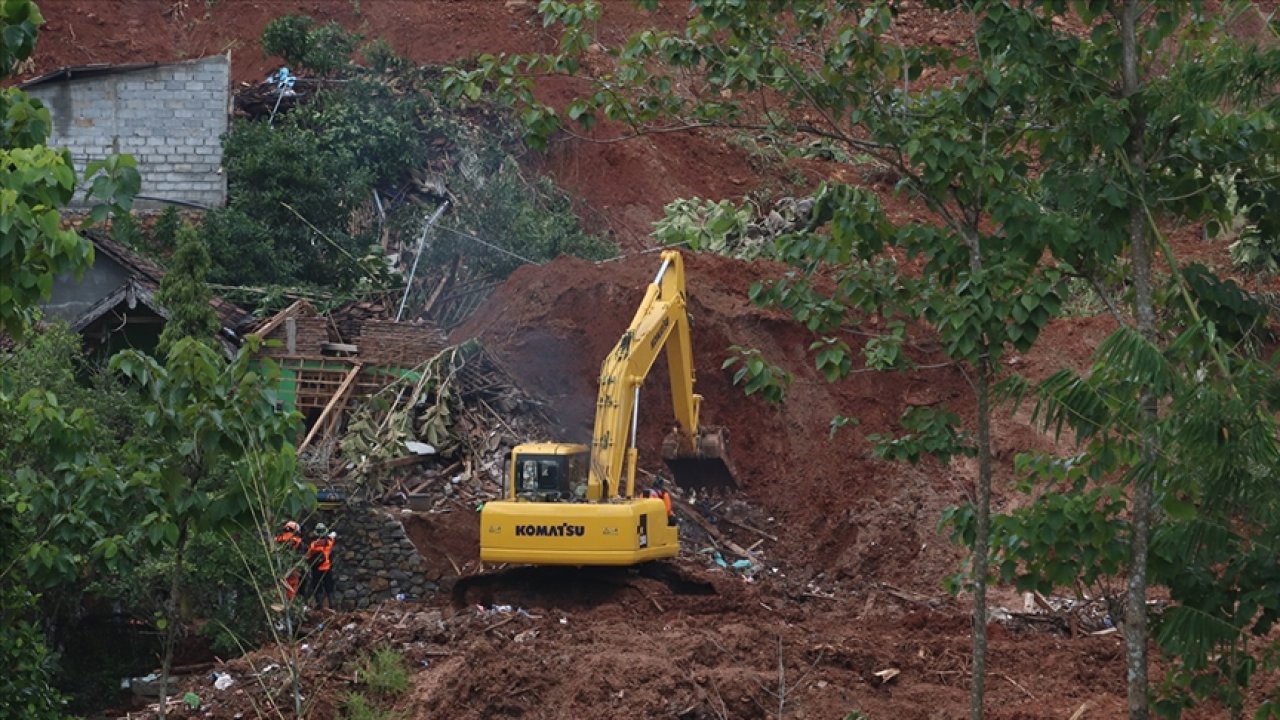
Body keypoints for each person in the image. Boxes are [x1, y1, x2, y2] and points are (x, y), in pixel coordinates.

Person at [306, 523, 337, 611]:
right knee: (329, 588)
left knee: (317, 588)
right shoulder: (329, 543)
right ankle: (332, 606)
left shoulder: (313, 545)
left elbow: (308, 556)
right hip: (327, 569)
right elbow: (333, 536)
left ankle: (320, 607)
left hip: (316, 570)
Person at [274, 520, 304, 601]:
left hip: (277, 567)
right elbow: (301, 554)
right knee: (292, 584)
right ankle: (291, 602)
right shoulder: (297, 540)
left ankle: (279, 600)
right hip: (291, 567)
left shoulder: (277, 539)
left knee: (279, 587)